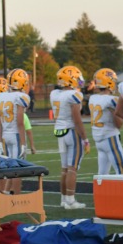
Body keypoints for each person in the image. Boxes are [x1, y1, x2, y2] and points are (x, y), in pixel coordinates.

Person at [50, 66, 89, 209]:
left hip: (60, 131)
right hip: (71, 132)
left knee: (64, 169)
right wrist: (85, 138)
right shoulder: (74, 95)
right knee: (72, 169)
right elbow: (77, 119)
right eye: (77, 79)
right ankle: (71, 201)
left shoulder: (55, 93)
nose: (80, 82)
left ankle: (64, 199)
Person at [0, 69, 30, 194]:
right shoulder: (21, 97)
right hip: (15, 135)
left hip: (5, 135)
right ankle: (16, 196)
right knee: (17, 169)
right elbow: (20, 122)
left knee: (11, 166)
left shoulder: (2, 96)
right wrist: (23, 143)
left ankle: (5, 191)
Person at [88, 68, 123, 174]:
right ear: (109, 82)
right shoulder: (111, 100)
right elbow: (119, 124)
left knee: (102, 173)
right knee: (121, 171)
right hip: (110, 138)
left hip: (99, 141)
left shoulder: (93, 98)